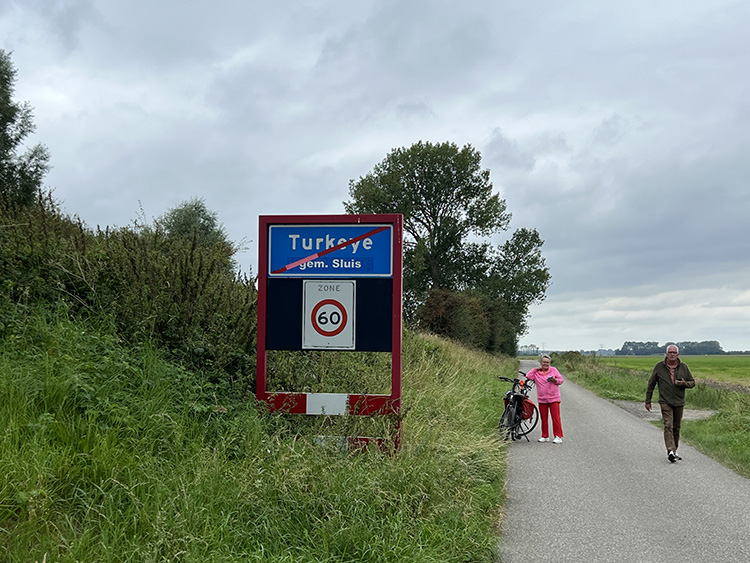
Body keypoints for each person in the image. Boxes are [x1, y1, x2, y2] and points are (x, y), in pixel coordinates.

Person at [645, 345, 695, 463]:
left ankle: (675, 449)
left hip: (679, 401)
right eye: (670, 352)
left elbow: (692, 383)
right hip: (665, 401)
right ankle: (670, 450)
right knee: (668, 425)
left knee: (676, 427)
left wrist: (683, 383)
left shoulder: (683, 367)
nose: (672, 354)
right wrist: (648, 401)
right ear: (666, 354)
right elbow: (651, 384)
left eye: (674, 352)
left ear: (678, 354)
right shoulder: (659, 367)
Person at [525, 354, 564, 443]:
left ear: (550, 363)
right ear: (540, 363)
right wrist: (535, 369)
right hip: (542, 399)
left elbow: (561, 380)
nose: (546, 364)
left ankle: (558, 436)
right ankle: (545, 435)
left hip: (554, 398)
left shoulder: (554, 370)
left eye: (547, 362)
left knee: (556, 418)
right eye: (544, 362)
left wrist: (555, 380)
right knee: (544, 418)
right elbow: (528, 376)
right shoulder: (536, 373)